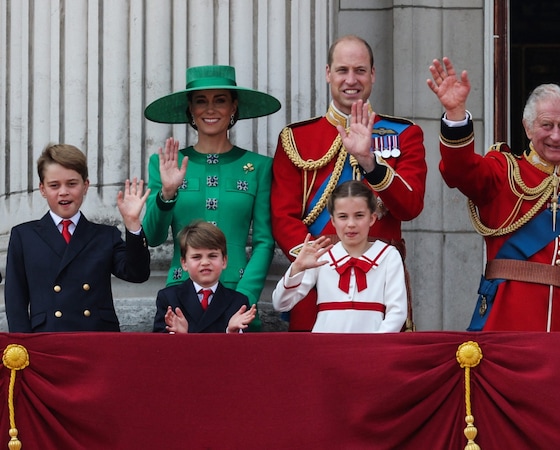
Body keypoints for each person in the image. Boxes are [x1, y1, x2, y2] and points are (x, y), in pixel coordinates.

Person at [427, 57, 560, 332]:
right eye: (546, 125)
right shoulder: (503, 171)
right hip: (506, 323)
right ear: (528, 127)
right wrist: (456, 114)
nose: (556, 136)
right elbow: (459, 171)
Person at [271, 35, 426, 331]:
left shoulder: (404, 133)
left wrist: (370, 163)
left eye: (360, 70)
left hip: (380, 275)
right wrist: (318, 262)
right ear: (328, 73)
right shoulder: (296, 138)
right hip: (316, 280)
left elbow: (410, 206)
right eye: (342, 70)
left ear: (373, 74)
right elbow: (282, 216)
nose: (351, 80)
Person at [143, 65, 280, 331]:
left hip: (239, 297)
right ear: (190, 109)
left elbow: (264, 241)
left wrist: (244, 298)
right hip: (182, 296)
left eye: (220, 100)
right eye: (201, 101)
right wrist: (167, 193)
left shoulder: (260, 166)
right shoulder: (166, 163)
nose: (210, 109)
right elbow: (153, 236)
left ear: (233, 107)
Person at [4, 144, 151, 332]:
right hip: (47, 339)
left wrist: (132, 224)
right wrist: (21, 348)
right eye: (54, 185)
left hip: (97, 339)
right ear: (42, 189)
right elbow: (15, 300)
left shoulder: (105, 235)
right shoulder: (24, 236)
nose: (63, 192)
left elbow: (137, 274)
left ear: (85, 186)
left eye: (72, 184)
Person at [272, 180, 407, 333]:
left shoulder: (389, 255)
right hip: (326, 349)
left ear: (372, 218)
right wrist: (297, 268)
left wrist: (374, 347)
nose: (351, 224)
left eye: (359, 216)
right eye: (343, 216)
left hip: (372, 349)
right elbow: (281, 303)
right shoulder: (322, 255)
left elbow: (397, 313)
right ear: (333, 221)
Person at [153, 220, 256, 333]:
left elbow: (245, 348)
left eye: (212, 256)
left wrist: (231, 332)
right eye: (197, 257)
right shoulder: (169, 298)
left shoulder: (238, 302)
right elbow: (158, 346)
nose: (205, 262)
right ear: (184, 263)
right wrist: (180, 336)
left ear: (224, 261)